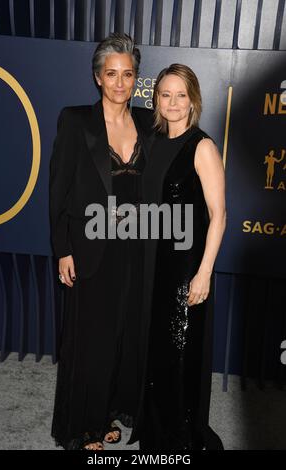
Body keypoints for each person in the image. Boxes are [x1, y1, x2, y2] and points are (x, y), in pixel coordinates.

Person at [49, 33, 154, 450]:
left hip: (135, 248)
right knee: (88, 341)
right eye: (111, 74)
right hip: (89, 248)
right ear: (97, 77)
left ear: (135, 79)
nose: (119, 83)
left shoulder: (148, 122)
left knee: (123, 337)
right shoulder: (75, 120)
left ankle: (109, 412)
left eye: (127, 74)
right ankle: (84, 427)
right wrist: (63, 249)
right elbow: (58, 190)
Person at [138, 64, 226, 451]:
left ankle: (183, 440)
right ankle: (157, 437)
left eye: (181, 95)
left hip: (187, 267)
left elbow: (219, 214)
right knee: (155, 355)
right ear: (156, 99)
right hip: (154, 265)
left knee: (180, 357)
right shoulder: (153, 140)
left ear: (193, 100)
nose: (172, 103)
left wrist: (204, 273)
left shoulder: (202, 146)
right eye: (165, 95)